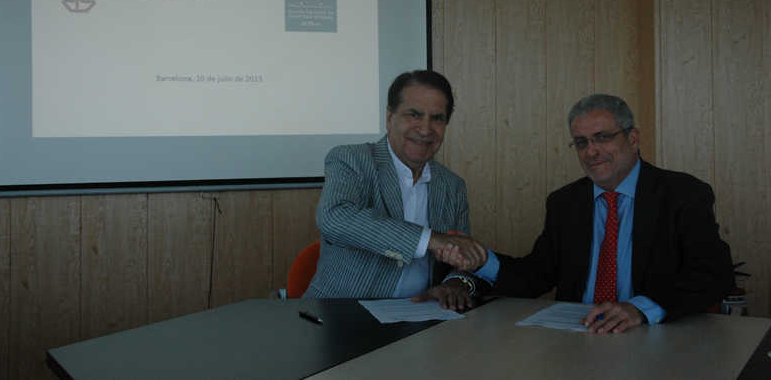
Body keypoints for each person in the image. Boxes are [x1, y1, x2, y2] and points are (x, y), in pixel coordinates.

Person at [440, 93, 734, 333]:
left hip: (654, 335)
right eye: (581, 142)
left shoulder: (683, 194)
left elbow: (714, 274)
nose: (591, 151)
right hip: (579, 335)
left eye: (602, 137)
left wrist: (640, 309)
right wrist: (481, 259)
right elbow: (535, 276)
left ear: (633, 139)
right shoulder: (565, 202)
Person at [303, 70, 486, 309]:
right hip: (342, 314)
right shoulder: (351, 159)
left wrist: (456, 283)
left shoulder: (452, 186)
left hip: (423, 315)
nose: (425, 129)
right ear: (390, 118)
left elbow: (462, 260)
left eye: (437, 118)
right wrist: (430, 240)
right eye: (414, 114)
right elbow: (335, 218)